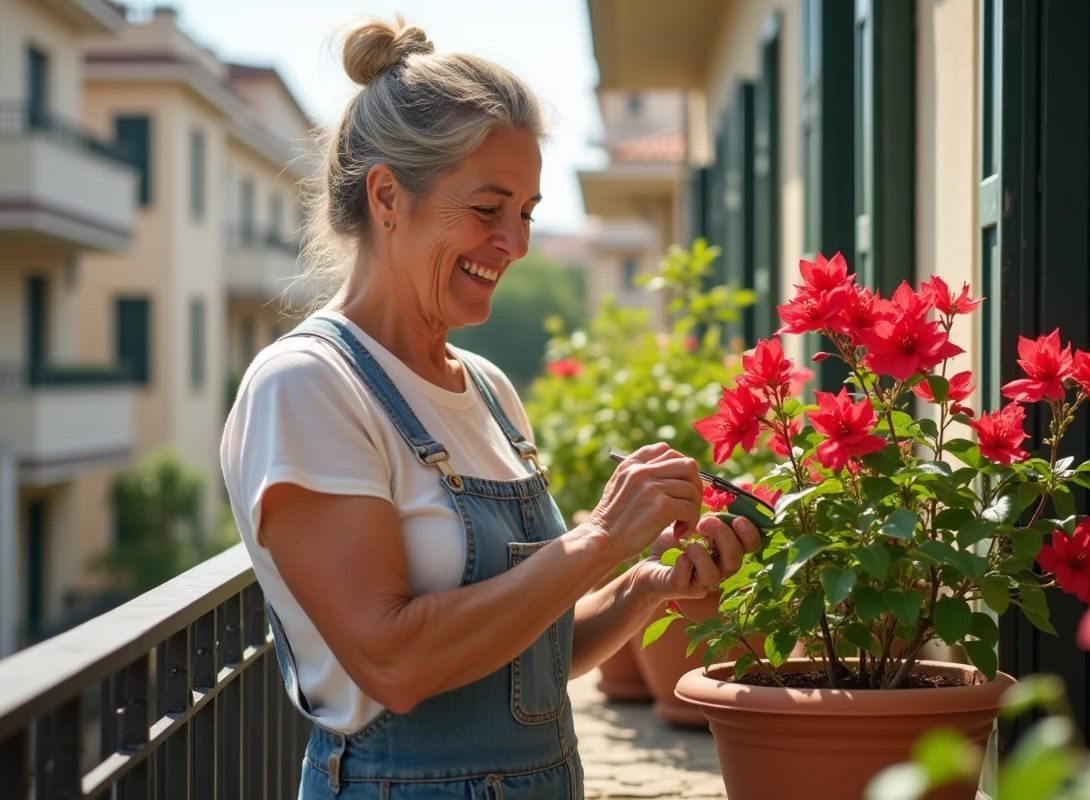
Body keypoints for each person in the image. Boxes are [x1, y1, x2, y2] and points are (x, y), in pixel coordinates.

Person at [220, 15, 762, 800]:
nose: (517, 241)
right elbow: (394, 663)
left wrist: (648, 585)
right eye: (487, 209)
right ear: (387, 198)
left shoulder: (488, 389)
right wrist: (603, 537)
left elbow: (528, 657)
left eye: (528, 212)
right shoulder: (306, 386)